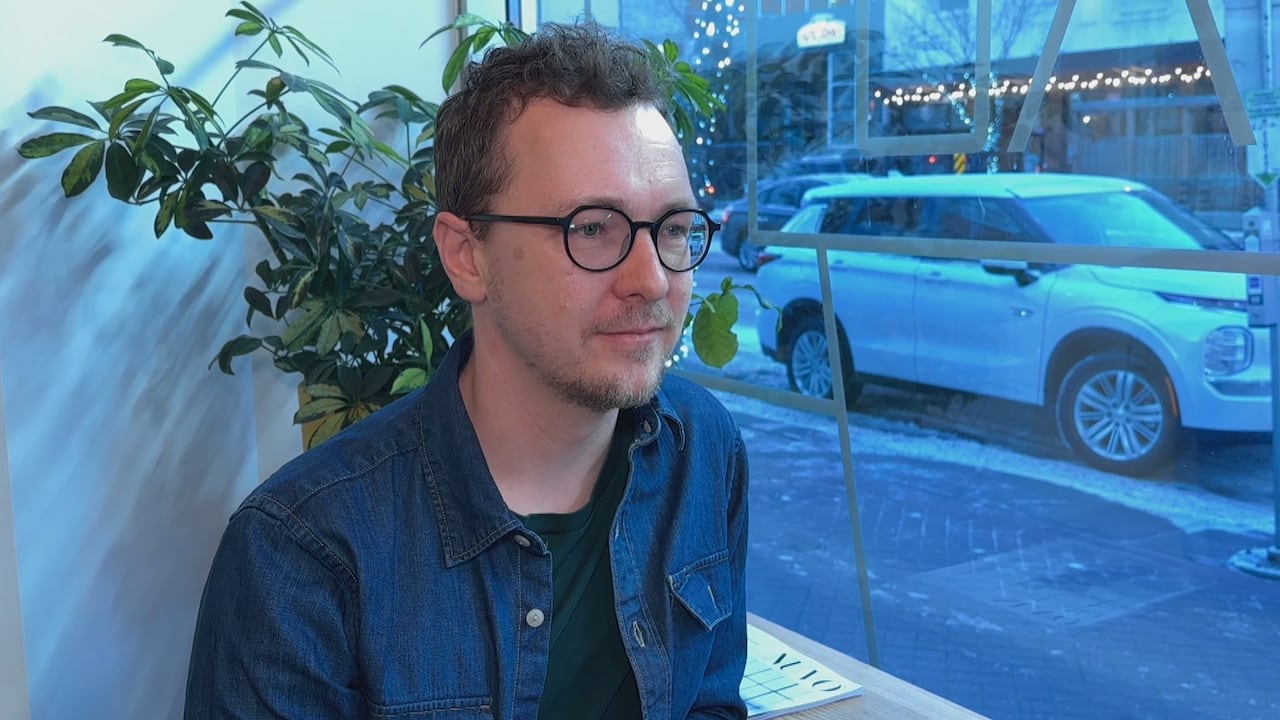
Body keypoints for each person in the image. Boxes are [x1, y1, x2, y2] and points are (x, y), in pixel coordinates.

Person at [184, 21, 750, 720]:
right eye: (593, 228)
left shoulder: (703, 449)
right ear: (466, 256)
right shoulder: (302, 555)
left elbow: (710, 702)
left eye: (671, 228)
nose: (653, 281)